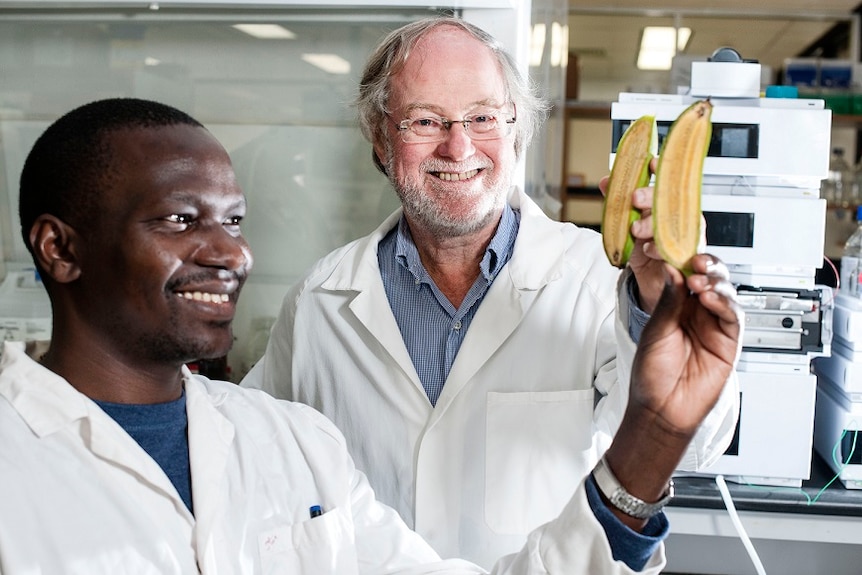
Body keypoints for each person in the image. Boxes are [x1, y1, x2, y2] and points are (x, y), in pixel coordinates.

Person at [0, 96, 739, 574]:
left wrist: (654, 431)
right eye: (178, 220)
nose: (230, 253)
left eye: (233, 221)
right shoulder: (16, 458)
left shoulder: (291, 448)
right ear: (60, 249)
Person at [241, 15, 742, 569]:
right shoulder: (319, 302)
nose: (459, 148)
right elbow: (257, 453)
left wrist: (657, 310)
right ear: (382, 141)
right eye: (425, 120)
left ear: (514, 132)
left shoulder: (597, 281)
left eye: (482, 117)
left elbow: (691, 445)